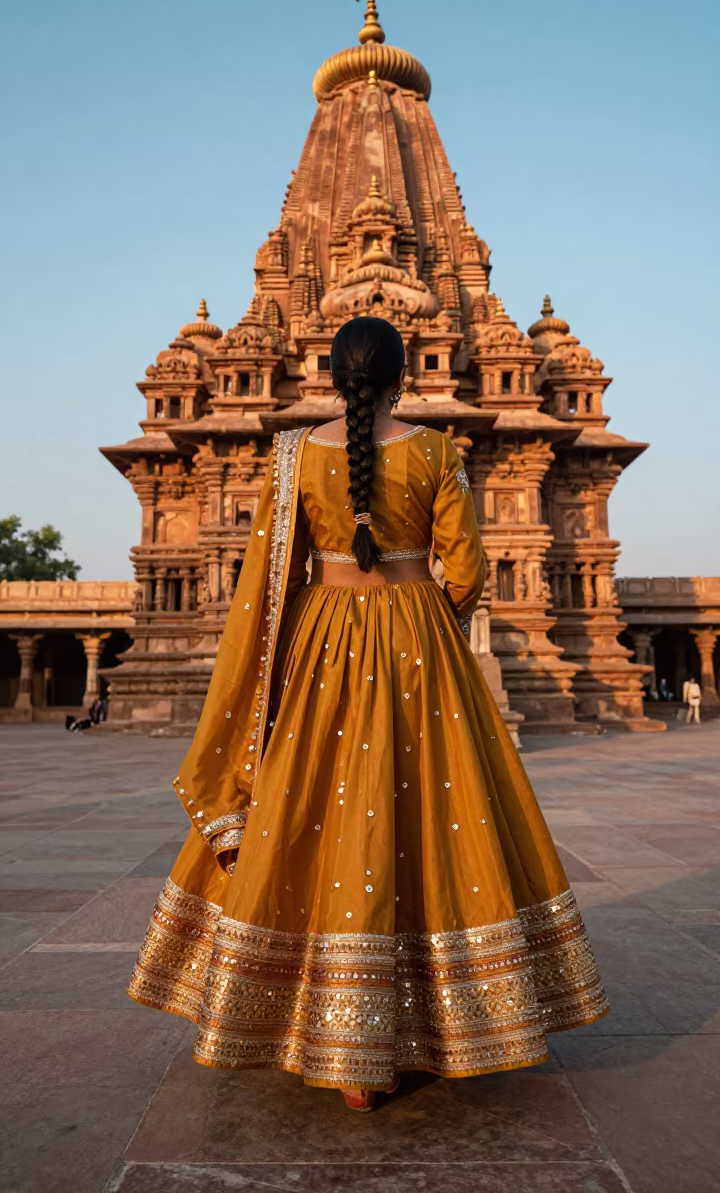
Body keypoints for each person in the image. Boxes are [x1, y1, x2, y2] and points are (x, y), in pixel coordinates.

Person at [128, 316, 609, 1112]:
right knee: (434, 815)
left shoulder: (291, 457)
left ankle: (340, 1042)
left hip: (322, 642)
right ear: (402, 375)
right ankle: (446, 1022)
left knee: (318, 810)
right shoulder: (434, 450)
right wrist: (431, 618)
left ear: (330, 374)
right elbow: (468, 565)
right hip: (419, 638)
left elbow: (265, 581)